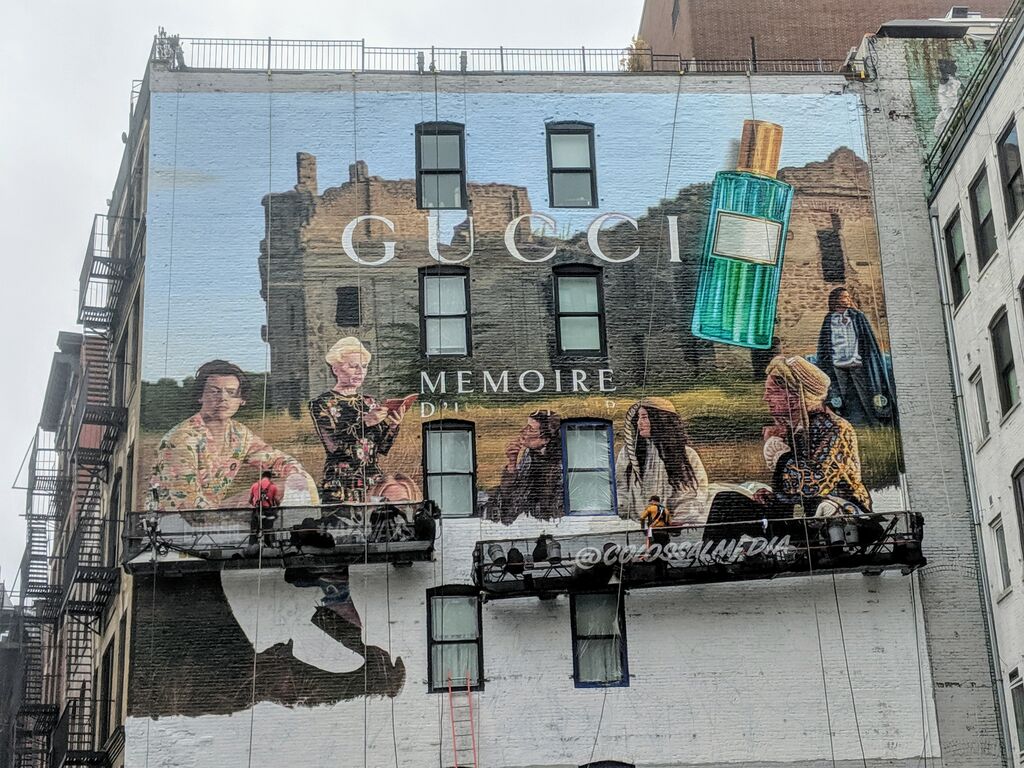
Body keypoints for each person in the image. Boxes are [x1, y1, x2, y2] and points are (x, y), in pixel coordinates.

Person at [704, 356, 872, 542]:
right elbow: (796, 488)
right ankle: (711, 557)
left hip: (836, 524)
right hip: (802, 516)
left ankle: (715, 556)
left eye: (772, 392)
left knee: (728, 506)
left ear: (794, 396)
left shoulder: (836, 429)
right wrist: (775, 497)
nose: (765, 398)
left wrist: (778, 452)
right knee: (726, 502)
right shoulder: (796, 429)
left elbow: (812, 486)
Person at [149, 360, 313, 522]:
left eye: (231, 392)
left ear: (241, 400)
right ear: (200, 396)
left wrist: (295, 476)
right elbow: (189, 507)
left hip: (211, 513)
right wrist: (236, 521)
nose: (223, 398)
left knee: (287, 486)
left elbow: (276, 459)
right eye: (214, 391)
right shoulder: (180, 440)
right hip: (173, 523)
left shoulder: (238, 433)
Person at [308, 338, 408, 504]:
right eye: (353, 366)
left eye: (364, 366)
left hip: (374, 482)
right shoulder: (322, 403)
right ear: (335, 369)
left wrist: (393, 425)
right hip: (341, 483)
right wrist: (365, 423)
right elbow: (334, 446)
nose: (360, 372)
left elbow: (382, 448)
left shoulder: (370, 402)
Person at [616, 398, 709, 525]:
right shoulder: (629, 453)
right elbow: (620, 490)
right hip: (638, 528)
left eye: (644, 417)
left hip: (675, 530)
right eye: (638, 418)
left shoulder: (687, 455)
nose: (639, 423)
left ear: (660, 420)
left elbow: (695, 494)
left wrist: (679, 520)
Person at [816, 287, 895, 425]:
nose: (848, 299)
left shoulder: (857, 316)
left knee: (866, 395)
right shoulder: (829, 319)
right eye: (844, 297)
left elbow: (867, 340)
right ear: (836, 300)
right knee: (840, 397)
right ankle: (844, 424)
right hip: (837, 365)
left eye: (848, 297)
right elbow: (825, 344)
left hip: (856, 363)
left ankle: (875, 421)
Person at [487, 409, 563, 524]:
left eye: (530, 429)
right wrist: (512, 462)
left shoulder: (558, 464)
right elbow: (511, 490)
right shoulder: (530, 453)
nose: (523, 431)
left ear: (545, 440)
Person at [249, 470, 281, 545]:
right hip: (268, 512)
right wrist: (277, 507)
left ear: (262, 477)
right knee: (268, 528)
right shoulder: (273, 487)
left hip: (257, 511)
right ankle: (268, 542)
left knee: (254, 530)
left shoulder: (254, 485)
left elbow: (250, 500)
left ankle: (252, 545)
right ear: (270, 477)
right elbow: (277, 501)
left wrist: (255, 504)